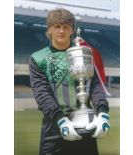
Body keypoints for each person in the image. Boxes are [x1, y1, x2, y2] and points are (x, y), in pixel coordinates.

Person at [29, 8, 110, 155]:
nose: (61, 31)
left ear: (72, 30)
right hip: (55, 127)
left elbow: (95, 86)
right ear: (49, 30)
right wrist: (61, 120)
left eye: (66, 27)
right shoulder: (38, 58)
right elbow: (42, 93)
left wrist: (103, 112)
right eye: (57, 26)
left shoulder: (84, 53)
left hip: (85, 123)